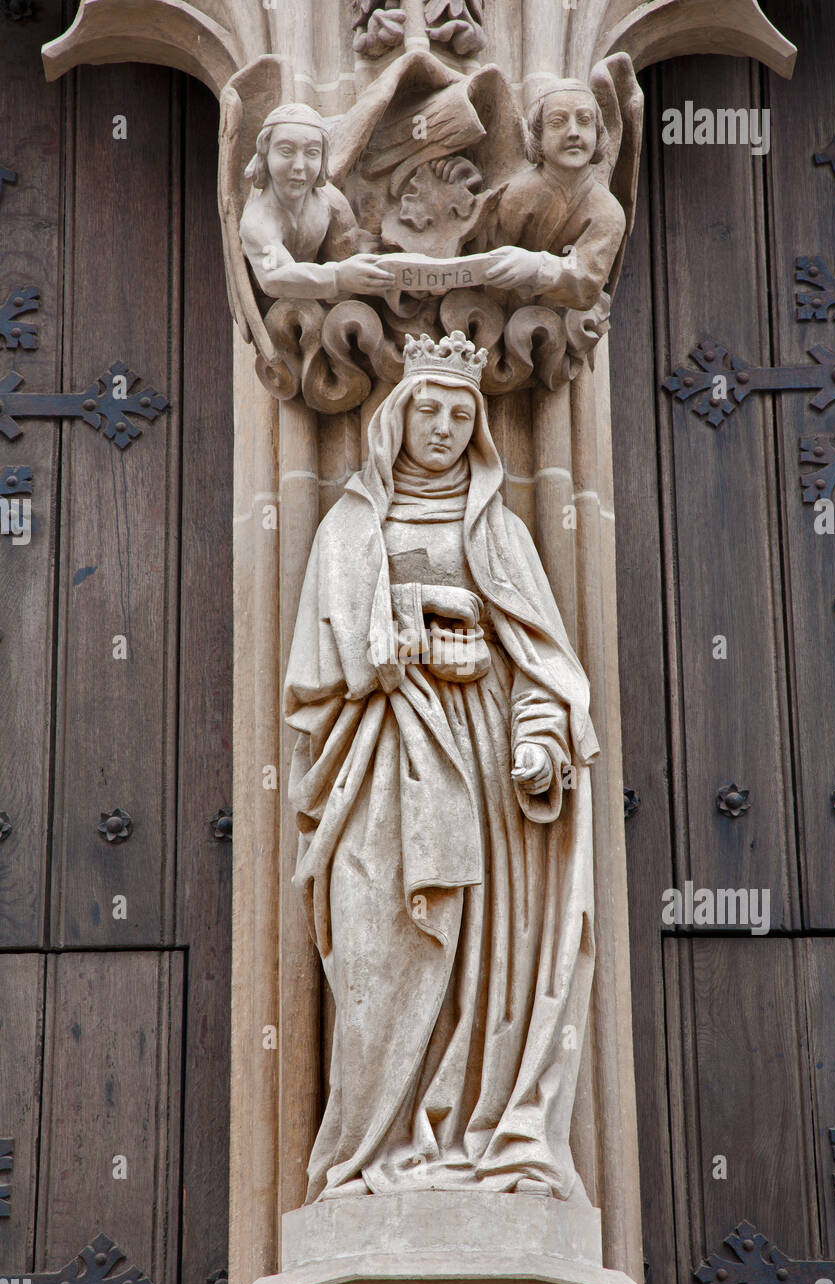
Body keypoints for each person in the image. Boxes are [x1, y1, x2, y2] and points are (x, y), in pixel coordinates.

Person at [283, 330, 600, 1203]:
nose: (447, 428)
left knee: (484, 955)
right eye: (431, 409)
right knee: (379, 952)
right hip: (386, 761)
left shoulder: (499, 533)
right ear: (396, 418)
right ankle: (369, 1151)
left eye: (464, 415)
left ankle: (475, 1136)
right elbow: (320, 663)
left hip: (486, 769)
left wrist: (538, 740)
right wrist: (417, 625)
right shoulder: (351, 529)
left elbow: (543, 663)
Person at [479, 80, 627, 310]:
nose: (574, 133)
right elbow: (483, 255)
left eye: (585, 121)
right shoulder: (516, 193)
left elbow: (587, 284)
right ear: (538, 134)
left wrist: (536, 267)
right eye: (558, 122)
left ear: (598, 132)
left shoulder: (607, 210)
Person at [239, 102, 394, 301]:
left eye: (312, 153)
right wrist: (339, 277)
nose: (299, 166)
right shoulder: (257, 220)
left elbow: (347, 255)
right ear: (265, 154)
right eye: (286, 151)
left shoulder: (330, 203)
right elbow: (272, 277)